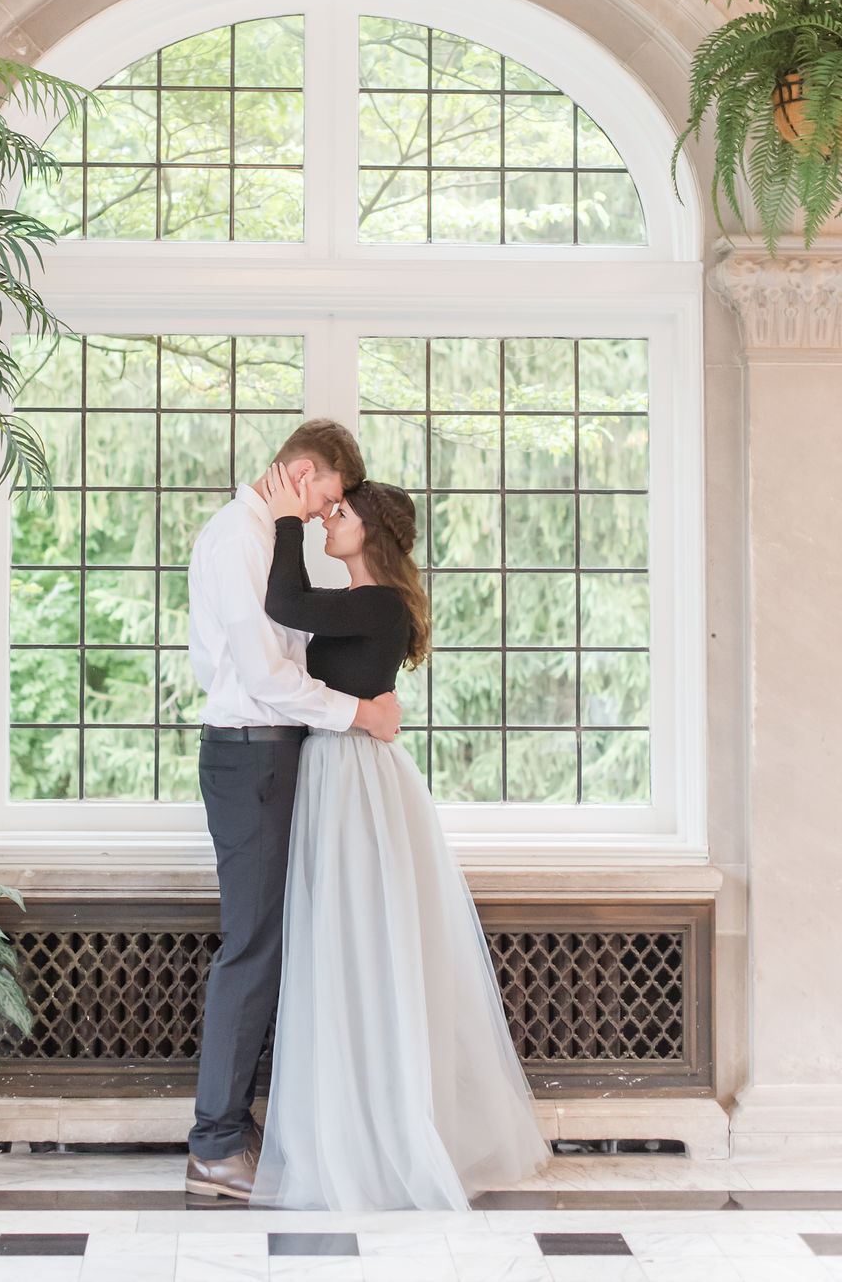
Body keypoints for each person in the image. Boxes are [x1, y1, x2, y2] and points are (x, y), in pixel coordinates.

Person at [249, 464, 550, 1210]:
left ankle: (378, 1131)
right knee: (343, 943)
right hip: (341, 766)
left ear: (371, 532)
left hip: (355, 778)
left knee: (359, 942)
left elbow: (284, 598)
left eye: (338, 512)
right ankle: (352, 1123)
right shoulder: (362, 602)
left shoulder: (379, 605)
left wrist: (285, 516)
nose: (327, 520)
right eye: (324, 511)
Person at [184, 421, 402, 1202]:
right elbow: (264, 677)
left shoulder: (254, 535)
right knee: (253, 947)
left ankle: (231, 1127)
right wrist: (360, 715)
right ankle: (214, 1143)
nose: (321, 516)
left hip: (266, 751)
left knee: (268, 943)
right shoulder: (240, 539)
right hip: (251, 752)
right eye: (327, 500)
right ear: (302, 472)